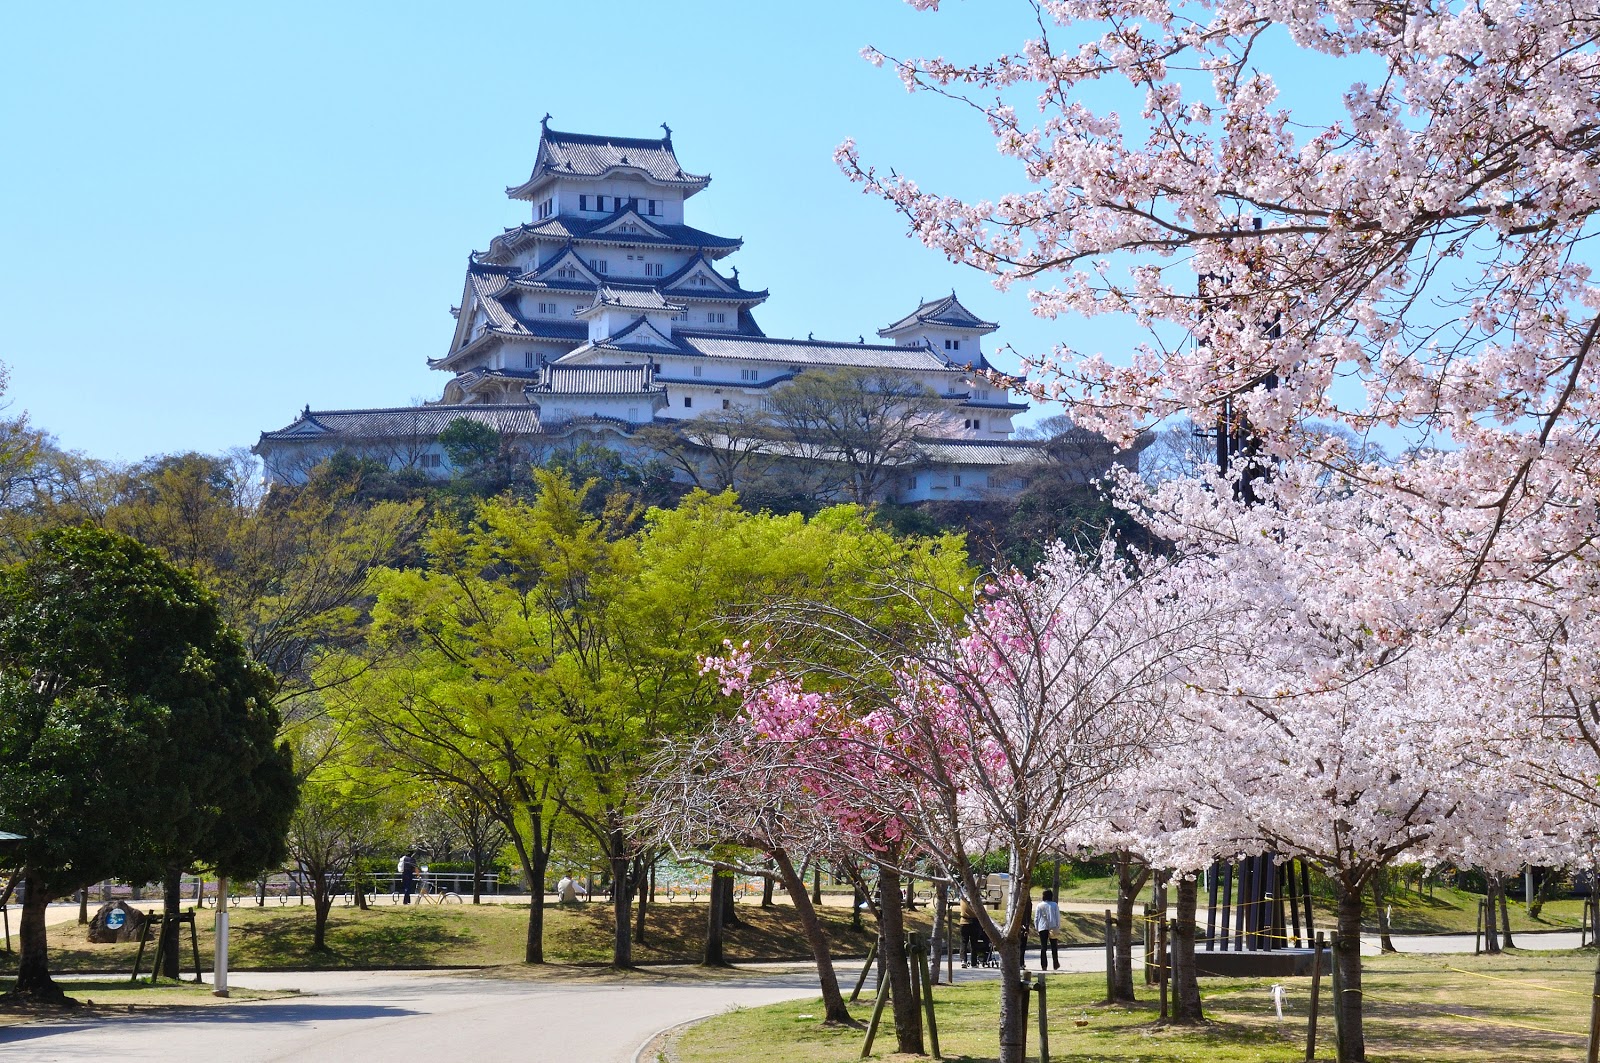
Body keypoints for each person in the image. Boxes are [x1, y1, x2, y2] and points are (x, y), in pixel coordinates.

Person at [1034, 888, 1061, 970]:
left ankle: (1044, 965)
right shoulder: (1054, 905)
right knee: (1054, 946)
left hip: (1042, 927)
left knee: (1043, 947)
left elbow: (1036, 918)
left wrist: (1037, 928)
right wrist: (1058, 926)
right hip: (1053, 926)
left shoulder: (1039, 905)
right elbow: (1057, 917)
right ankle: (1055, 963)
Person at [960, 895, 983, 967]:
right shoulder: (975, 898)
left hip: (964, 921)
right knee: (974, 943)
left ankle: (963, 960)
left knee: (964, 942)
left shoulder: (962, 898)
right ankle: (974, 962)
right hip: (974, 921)